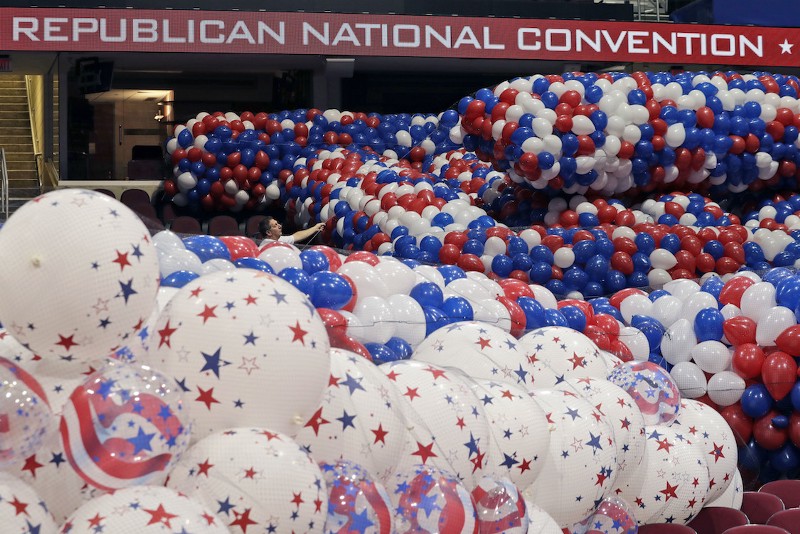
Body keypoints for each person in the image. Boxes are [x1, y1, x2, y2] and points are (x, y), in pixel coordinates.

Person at [257, 216, 324, 246]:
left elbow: (296, 236)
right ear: (268, 232)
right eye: (275, 225)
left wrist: (315, 228)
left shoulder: (279, 240)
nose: (280, 226)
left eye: (278, 223)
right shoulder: (267, 246)